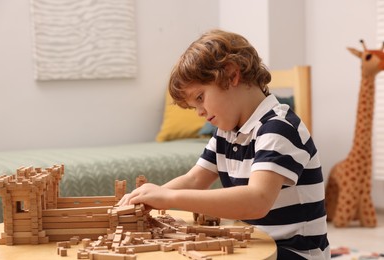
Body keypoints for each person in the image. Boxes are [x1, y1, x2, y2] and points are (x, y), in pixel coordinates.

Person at [119, 29, 330, 259]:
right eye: (194, 106)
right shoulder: (226, 133)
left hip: (295, 252)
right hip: (257, 244)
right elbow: (194, 179)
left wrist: (169, 198)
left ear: (231, 75)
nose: (199, 112)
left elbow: (257, 200)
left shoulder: (279, 127)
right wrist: (151, 197)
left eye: (200, 98)